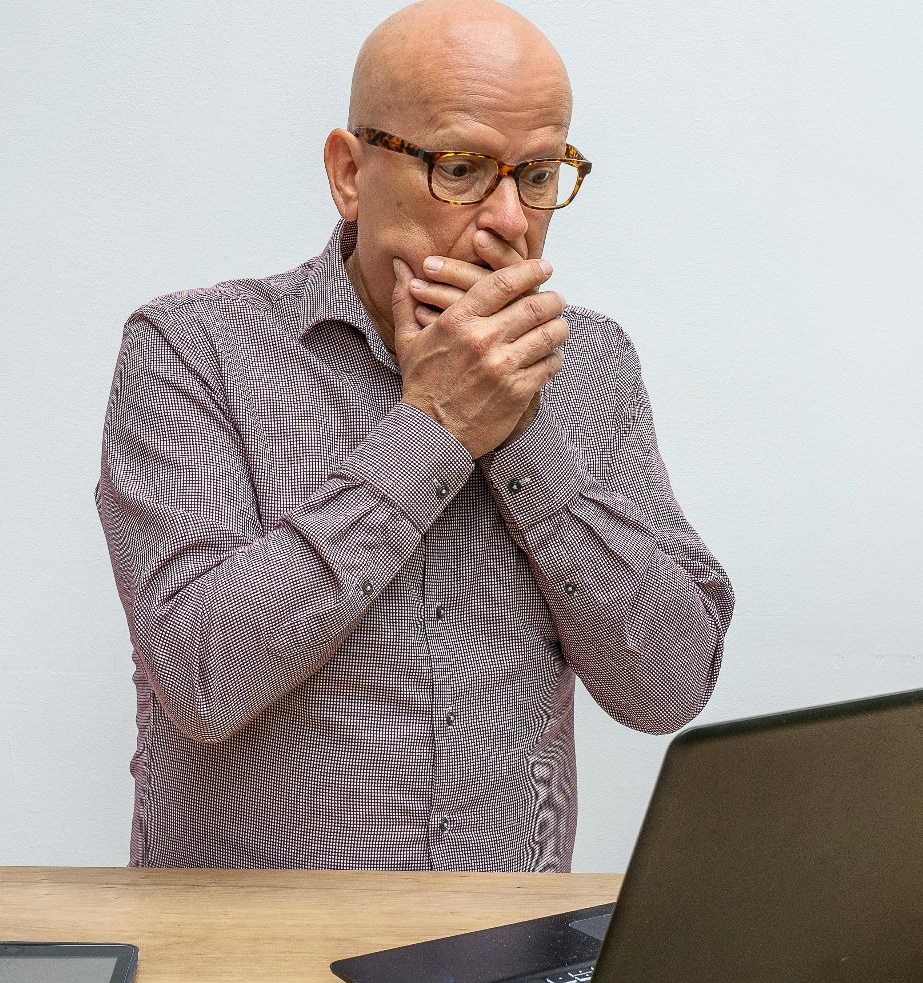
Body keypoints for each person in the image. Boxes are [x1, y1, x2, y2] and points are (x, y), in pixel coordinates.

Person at [94, 0, 734, 871]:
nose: (511, 218)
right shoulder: (191, 350)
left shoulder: (594, 366)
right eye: (463, 167)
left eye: (540, 173)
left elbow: (669, 684)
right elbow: (201, 675)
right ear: (349, 173)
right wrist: (431, 431)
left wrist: (521, 440)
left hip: (496, 952)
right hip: (244, 953)